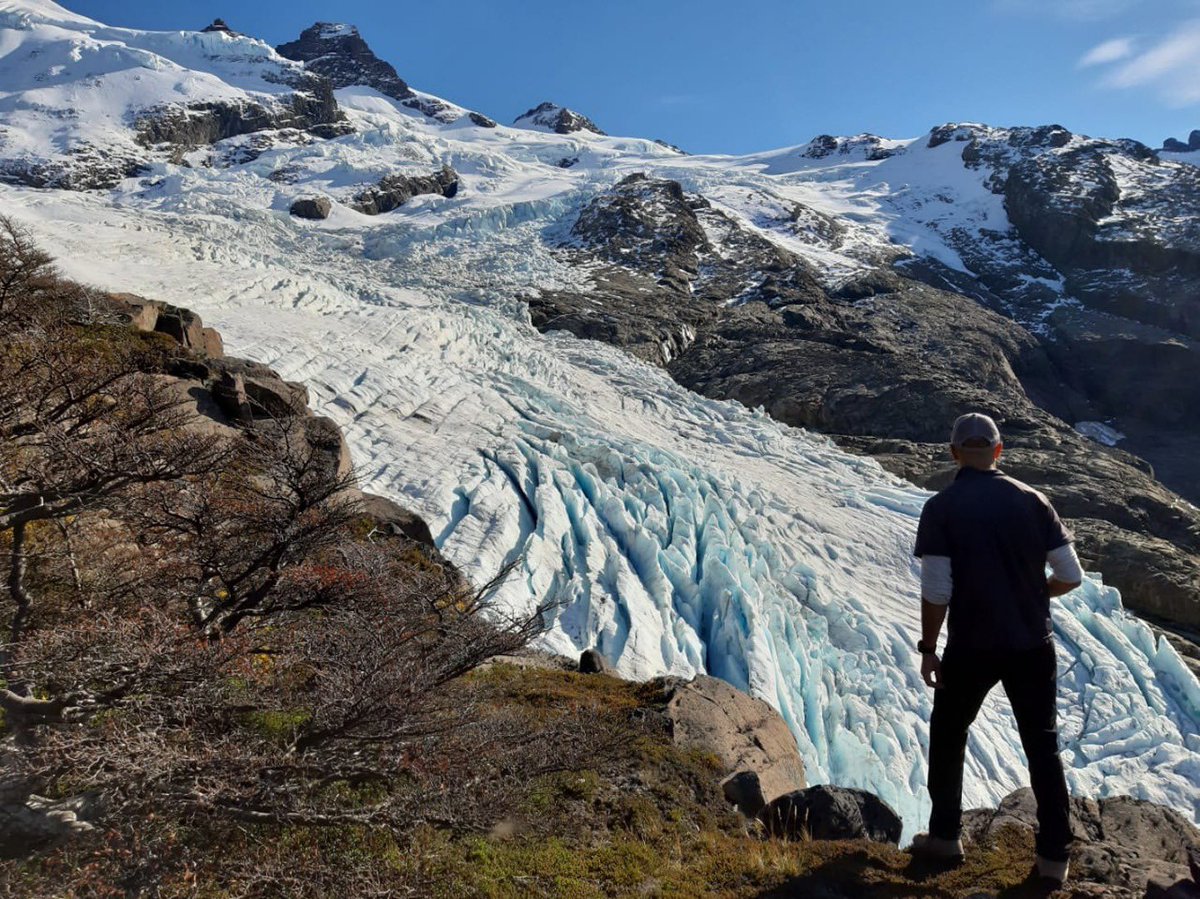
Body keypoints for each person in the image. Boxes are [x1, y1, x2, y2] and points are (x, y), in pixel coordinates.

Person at [908, 412, 1083, 885]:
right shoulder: (1034, 501)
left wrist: (928, 647)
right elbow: (1071, 574)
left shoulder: (942, 508)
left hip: (972, 646)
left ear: (954, 453)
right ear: (999, 452)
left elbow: (937, 590)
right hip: (1032, 644)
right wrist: (1030, 593)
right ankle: (1053, 861)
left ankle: (945, 839)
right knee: (1042, 747)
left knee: (948, 733)